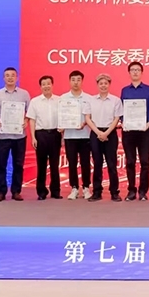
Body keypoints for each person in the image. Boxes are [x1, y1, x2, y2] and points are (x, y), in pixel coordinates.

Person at [0, 67, 30, 202]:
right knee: (1, 165)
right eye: (7, 75)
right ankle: (0, 192)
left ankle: (16, 191)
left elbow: (30, 112)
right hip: (2, 136)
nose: (10, 78)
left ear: (17, 78)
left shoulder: (24, 94)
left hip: (19, 136)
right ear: (3, 78)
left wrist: (26, 121)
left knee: (18, 165)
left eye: (13, 75)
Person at [120, 61, 149, 201]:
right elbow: (121, 109)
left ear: (141, 72)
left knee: (145, 162)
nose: (135, 72)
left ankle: (142, 191)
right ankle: (131, 190)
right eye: (132, 70)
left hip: (144, 130)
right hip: (129, 131)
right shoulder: (125, 90)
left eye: (137, 70)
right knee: (130, 161)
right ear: (129, 73)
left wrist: (148, 122)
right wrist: (123, 121)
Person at [84, 74, 123, 202]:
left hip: (110, 133)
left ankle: (114, 192)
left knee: (112, 164)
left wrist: (106, 133)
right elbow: (87, 118)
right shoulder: (91, 100)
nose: (103, 86)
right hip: (95, 132)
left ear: (109, 85)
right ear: (97, 85)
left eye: (106, 83)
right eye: (101, 83)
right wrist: (98, 132)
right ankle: (97, 192)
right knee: (97, 164)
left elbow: (117, 118)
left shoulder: (116, 100)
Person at [26, 75, 62, 200]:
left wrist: (62, 135)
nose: (46, 86)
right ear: (40, 86)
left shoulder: (59, 100)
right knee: (41, 165)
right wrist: (33, 137)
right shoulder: (35, 101)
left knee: (55, 164)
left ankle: (56, 191)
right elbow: (32, 120)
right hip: (40, 135)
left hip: (55, 134)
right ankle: (41, 192)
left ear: (52, 85)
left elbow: (63, 118)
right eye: (43, 84)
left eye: (48, 83)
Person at [61, 70, 92, 201]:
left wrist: (85, 123)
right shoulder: (63, 98)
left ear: (82, 81)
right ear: (69, 81)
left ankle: (86, 187)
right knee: (72, 163)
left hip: (85, 136)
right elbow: (61, 116)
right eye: (73, 80)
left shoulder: (89, 98)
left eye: (78, 80)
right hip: (70, 136)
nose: (76, 82)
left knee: (86, 163)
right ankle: (74, 188)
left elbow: (91, 117)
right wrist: (61, 127)